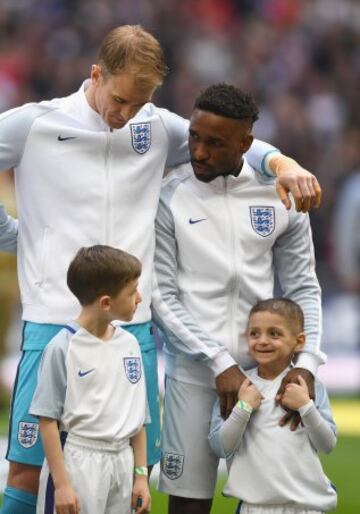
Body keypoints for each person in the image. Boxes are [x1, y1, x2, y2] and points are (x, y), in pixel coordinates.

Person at [0, 24, 321, 514]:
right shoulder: (34, 124)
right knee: (27, 466)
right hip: (54, 319)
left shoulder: (155, 127)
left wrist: (282, 164)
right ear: (95, 74)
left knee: (133, 472)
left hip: (134, 330)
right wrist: (15, 237)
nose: (126, 114)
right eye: (120, 99)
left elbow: (234, 143)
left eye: (140, 102)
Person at [151, 84, 325, 514]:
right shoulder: (170, 196)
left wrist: (305, 365)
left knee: (269, 500)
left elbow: (304, 287)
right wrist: (218, 362)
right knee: (187, 507)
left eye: (215, 143)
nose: (199, 152)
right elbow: (161, 295)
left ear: (246, 144)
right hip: (193, 376)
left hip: (264, 376)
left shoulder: (278, 196)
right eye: (194, 137)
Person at [30, 245, 151, 514]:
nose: (139, 298)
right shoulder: (63, 347)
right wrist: (61, 486)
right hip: (79, 464)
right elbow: (47, 420)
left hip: (122, 463)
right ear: (106, 303)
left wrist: (141, 476)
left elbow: (139, 418)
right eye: (132, 292)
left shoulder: (130, 344)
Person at [209, 298, 337, 514]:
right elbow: (221, 447)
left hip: (306, 507)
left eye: (274, 333)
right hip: (254, 507)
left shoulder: (308, 387)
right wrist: (243, 408)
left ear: (298, 341)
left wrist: (306, 406)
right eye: (254, 333)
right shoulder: (238, 387)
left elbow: (327, 444)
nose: (262, 341)